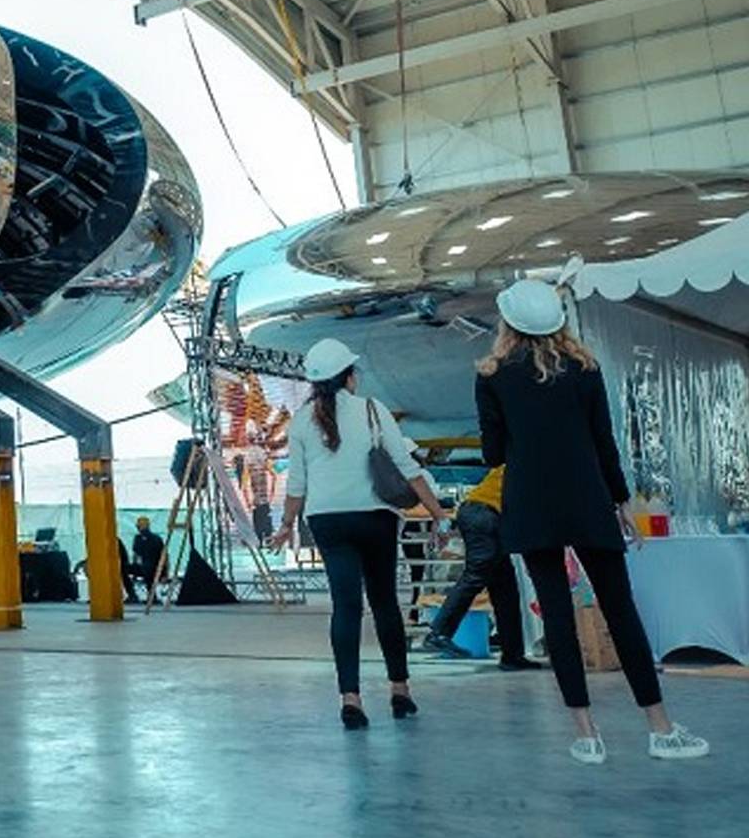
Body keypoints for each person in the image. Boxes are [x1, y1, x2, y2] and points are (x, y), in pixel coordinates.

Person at [476, 278, 708, 764]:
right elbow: (605, 443)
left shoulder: (492, 376)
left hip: (532, 505)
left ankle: (586, 735)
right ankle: (660, 729)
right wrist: (620, 501)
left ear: (508, 325)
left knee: (557, 618)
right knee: (620, 609)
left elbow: (493, 454)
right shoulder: (585, 368)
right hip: (588, 498)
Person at [267, 338, 452, 730]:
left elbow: (296, 485)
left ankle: (350, 698)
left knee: (345, 607)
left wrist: (286, 526)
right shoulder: (372, 409)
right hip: (375, 519)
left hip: (328, 521)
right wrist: (438, 513)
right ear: (349, 377)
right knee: (385, 603)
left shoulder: (300, 422)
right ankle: (399, 691)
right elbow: (406, 466)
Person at [421, 463, 539, 669]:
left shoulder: (522, 460)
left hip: (481, 514)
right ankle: (439, 631)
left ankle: (512, 655)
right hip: (482, 514)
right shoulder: (534, 465)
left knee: (505, 589)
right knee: (477, 574)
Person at [130, 516, 165, 604]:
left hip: (151, 568)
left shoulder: (141, 538)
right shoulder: (156, 538)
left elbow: (136, 555)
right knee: (146, 568)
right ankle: (149, 596)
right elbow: (164, 556)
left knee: (146, 569)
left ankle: (133, 594)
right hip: (153, 568)